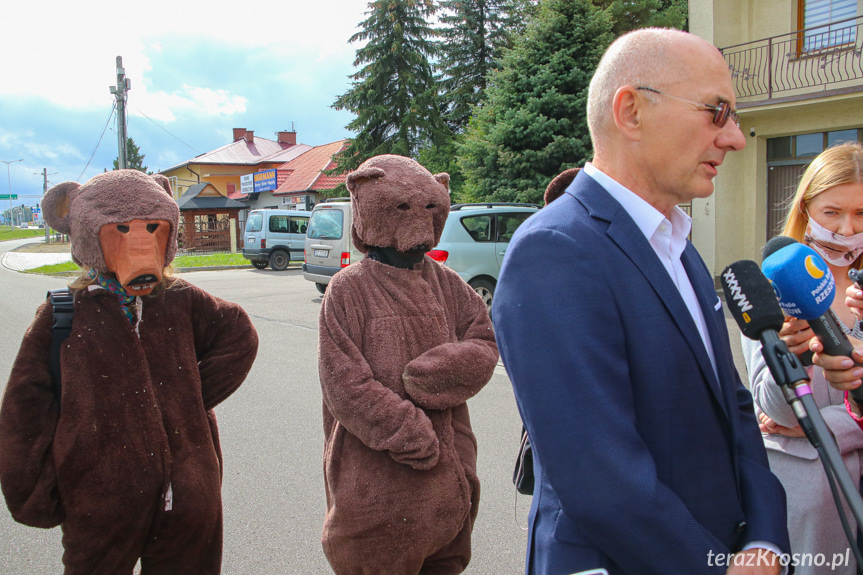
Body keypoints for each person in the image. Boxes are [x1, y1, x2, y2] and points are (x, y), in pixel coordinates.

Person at [492, 28, 790, 575]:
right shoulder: (555, 249)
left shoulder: (677, 246)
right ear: (630, 111)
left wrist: (765, 542)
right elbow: (599, 476)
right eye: (717, 111)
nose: (736, 138)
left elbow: (735, 410)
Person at [0, 170, 258, 574]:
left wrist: (184, 400)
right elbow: (25, 408)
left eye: (153, 228)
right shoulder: (64, 313)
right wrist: (33, 490)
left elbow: (239, 335)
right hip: (99, 501)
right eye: (120, 228)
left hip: (187, 499)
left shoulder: (182, 301)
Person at [317, 155, 498, 574]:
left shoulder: (446, 282)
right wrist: (405, 428)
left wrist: (440, 372)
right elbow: (344, 384)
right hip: (377, 481)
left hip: (451, 479)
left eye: (430, 207)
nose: (420, 221)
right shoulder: (349, 289)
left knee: (447, 559)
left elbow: (484, 340)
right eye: (402, 207)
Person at [743, 142, 863, 575]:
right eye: (832, 212)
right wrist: (791, 355)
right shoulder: (771, 285)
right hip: (808, 504)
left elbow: (799, 423)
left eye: (861, 215)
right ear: (807, 208)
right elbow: (773, 411)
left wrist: (827, 424)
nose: (846, 229)